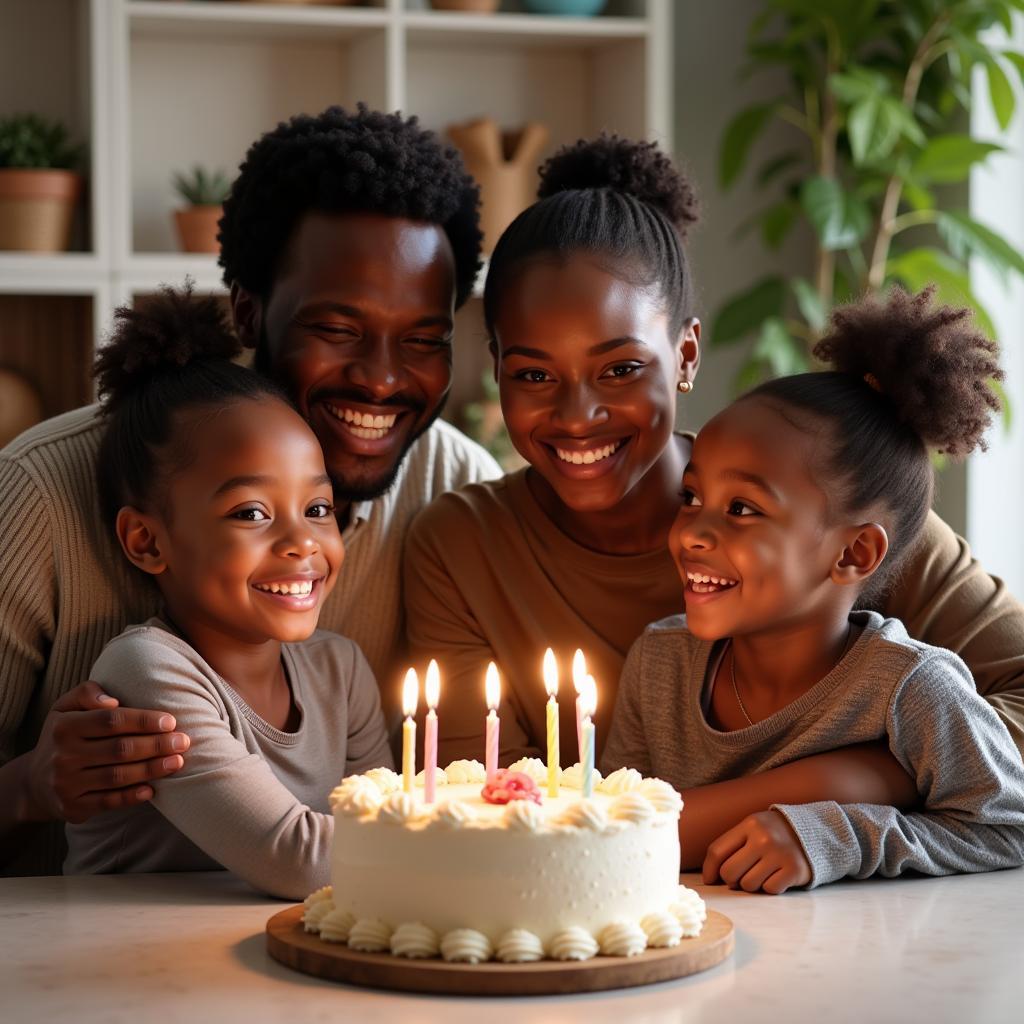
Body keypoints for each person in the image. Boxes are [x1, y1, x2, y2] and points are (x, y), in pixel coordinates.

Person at [402, 135, 1024, 861]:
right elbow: (500, 817)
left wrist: (864, 795)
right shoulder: (462, 548)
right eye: (534, 375)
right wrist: (845, 777)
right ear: (498, 368)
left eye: (621, 368)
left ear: (687, 356)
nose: (576, 416)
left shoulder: (829, 507)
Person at [0, 105, 499, 875]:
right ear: (249, 312)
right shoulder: (41, 491)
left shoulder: (462, 492)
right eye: (338, 329)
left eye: (424, 341)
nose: (382, 377)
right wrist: (24, 787)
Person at [602, 287, 1024, 892]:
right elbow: (612, 835)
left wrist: (840, 835)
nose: (693, 532)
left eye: (742, 508)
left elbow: (1010, 825)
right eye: (691, 497)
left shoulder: (911, 688)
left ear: (854, 553)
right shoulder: (659, 663)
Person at [64, 289, 391, 899]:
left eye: (318, 507)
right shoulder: (148, 670)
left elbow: (391, 823)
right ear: (146, 541)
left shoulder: (340, 671)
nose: (302, 542)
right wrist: (479, 835)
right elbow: (302, 860)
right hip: (121, 971)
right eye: (251, 512)